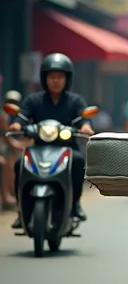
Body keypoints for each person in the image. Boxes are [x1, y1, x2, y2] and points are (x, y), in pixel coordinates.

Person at [9, 53, 95, 228]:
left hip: (67, 148)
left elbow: (84, 118)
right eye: (51, 77)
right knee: (19, 164)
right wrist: (18, 125)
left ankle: (75, 203)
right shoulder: (34, 100)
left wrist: (86, 126)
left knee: (79, 161)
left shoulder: (75, 100)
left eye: (60, 77)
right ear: (44, 78)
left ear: (67, 79)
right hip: (38, 148)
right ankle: (22, 210)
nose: (55, 80)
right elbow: (23, 117)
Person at [0, 91, 25, 208]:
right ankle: (7, 195)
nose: (12, 105)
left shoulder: (20, 118)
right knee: (8, 161)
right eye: (10, 102)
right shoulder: (3, 117)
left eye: (14, 103)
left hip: (10, 147)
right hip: (5, 147)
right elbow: (7, 139)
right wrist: (18, 146)